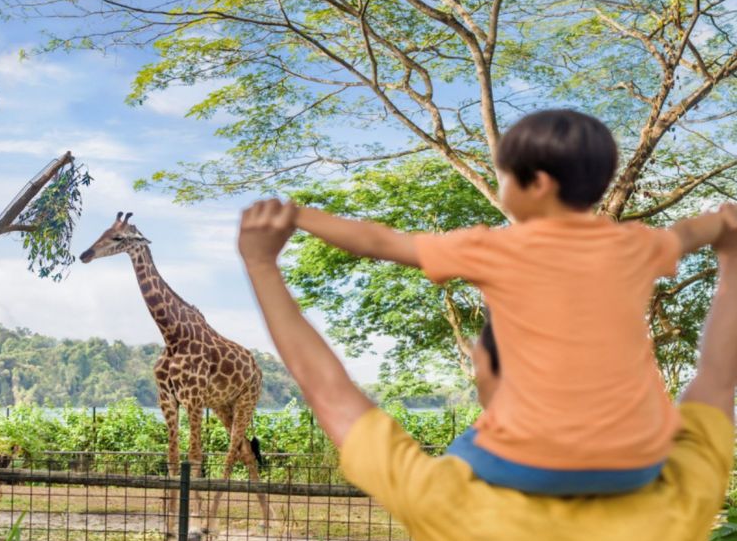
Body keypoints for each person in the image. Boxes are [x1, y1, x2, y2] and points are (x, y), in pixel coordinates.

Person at [238, 198, 735, 541]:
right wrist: (731, 261)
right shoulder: (678, 488)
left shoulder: (451, 497)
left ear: (486, 370)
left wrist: (262, 264)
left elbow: (329, 393)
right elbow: (716, 379)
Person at [295, 109, 737, 495]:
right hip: (637, 461)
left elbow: (378, 241)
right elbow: (689, 233)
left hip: (531, 462)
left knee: (456, 458)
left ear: (539, 183)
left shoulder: (497, 248)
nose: (500, 185)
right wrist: (723, 224)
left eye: (503, 177)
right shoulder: (636, 245)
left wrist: (299, 215)